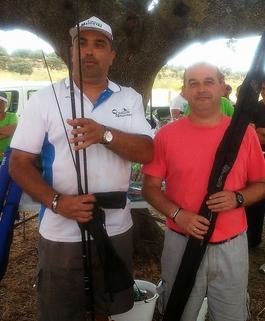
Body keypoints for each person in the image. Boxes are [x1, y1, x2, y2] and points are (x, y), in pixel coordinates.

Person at [9, 16, 153, 321]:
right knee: (61, 312)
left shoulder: (130, 98)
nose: (90, 51)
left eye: (99, 44)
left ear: (112, 55)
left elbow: (147, 151)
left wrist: (105, 134)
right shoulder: (44, 100)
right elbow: (19, 163)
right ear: (70, 51)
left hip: (116, 226)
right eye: (81, 43)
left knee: (106, 309)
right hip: (61, 232)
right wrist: (59, 203)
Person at [142, 62, 265, 321]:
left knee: (232, 315)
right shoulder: (166, 135)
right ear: (184, 91)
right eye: (193, 83)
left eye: (209, 81)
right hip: (180, 241)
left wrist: (238, 198)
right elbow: (150, 189)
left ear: (222, 86)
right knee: (178, 311)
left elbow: (261, 184)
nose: (201, 89)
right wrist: (178, 214)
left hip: (231, 246)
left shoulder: (244, 134)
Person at [246, 80, 265, 247]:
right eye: (263, 89)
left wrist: (260, 130)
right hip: (258, 159)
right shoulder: (255, 108)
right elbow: (252, 134)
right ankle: (253, 238)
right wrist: (257, 132)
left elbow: (257, 132)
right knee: (257, 201)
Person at [0, 91, 18, 162]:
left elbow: (13, 130)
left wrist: (9, 130)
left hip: (8, 156)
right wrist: (5, 130)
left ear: (6, 104)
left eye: (2, 102)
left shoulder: (12, 116)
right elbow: (10, 131)